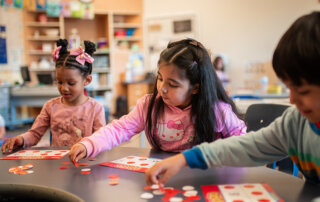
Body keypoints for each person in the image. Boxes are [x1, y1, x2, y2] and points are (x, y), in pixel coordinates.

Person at [145, 11, 320, 185]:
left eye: (303, 91)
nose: (292, 100)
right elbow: (247, 147)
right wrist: (185, 159)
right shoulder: (296, 123)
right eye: (289, 88)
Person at [69, 38, 246, 163]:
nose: (162, 88)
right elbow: (119, 129)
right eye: (160, 78)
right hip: (161, 172)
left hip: (203, 173)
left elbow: (242, 141)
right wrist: (90, 144)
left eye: (173, 84)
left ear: (196, 87)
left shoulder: (216, 110)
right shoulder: (149, 105)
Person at [1, 39, 106, 153]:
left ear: (87, 80)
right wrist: (21, 139)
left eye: (71, 83)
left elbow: (101, 140)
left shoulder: (95, 108)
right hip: (58, 163)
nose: (64, 88)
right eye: (59, 82)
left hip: (86, 162)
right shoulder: (50, 106)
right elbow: (34, 134)